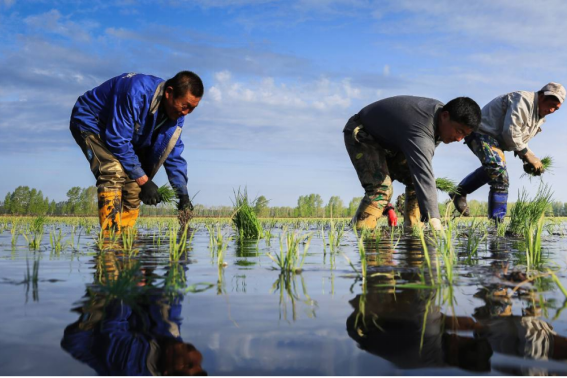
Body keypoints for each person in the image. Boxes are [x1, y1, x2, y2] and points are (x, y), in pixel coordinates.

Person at [70, 71, 204, 230]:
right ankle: (110, 239)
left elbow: (173, 156)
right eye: (185, 106)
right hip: (92, 123)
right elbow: (117, 139)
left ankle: (125, 242)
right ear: (169, 93)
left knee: (134, 187)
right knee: (112, 171)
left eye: (192, 109)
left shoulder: (176, 118)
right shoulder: (135, 92)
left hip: (125, 136)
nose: (186, 113)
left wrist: (183, 195)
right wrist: (144, 180)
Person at [344, 96, 481, 231]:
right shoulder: (421, 129)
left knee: (416, 185)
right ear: (445, 116)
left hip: (391, 143)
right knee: (381, 190)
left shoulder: (439, 124)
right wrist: (435, 221)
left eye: (464, 135)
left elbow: (419, 175)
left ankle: (413, 232)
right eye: (459, 131)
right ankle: (362, 237)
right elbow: (423, 174)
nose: (459, 139)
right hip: (363, 133)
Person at [451, 83, 565, 221]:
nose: (552, 110)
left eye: (556, 109)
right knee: (497, 169)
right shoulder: (523, 100)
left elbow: (521, 140)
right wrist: (528, 155)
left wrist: (527, 159)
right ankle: (466, 197)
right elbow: (510, 133)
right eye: (551, 104)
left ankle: (491, 220)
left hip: (497, 141)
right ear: (541, 96)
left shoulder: (539, 118)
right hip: (482, 133)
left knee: (498, 175)